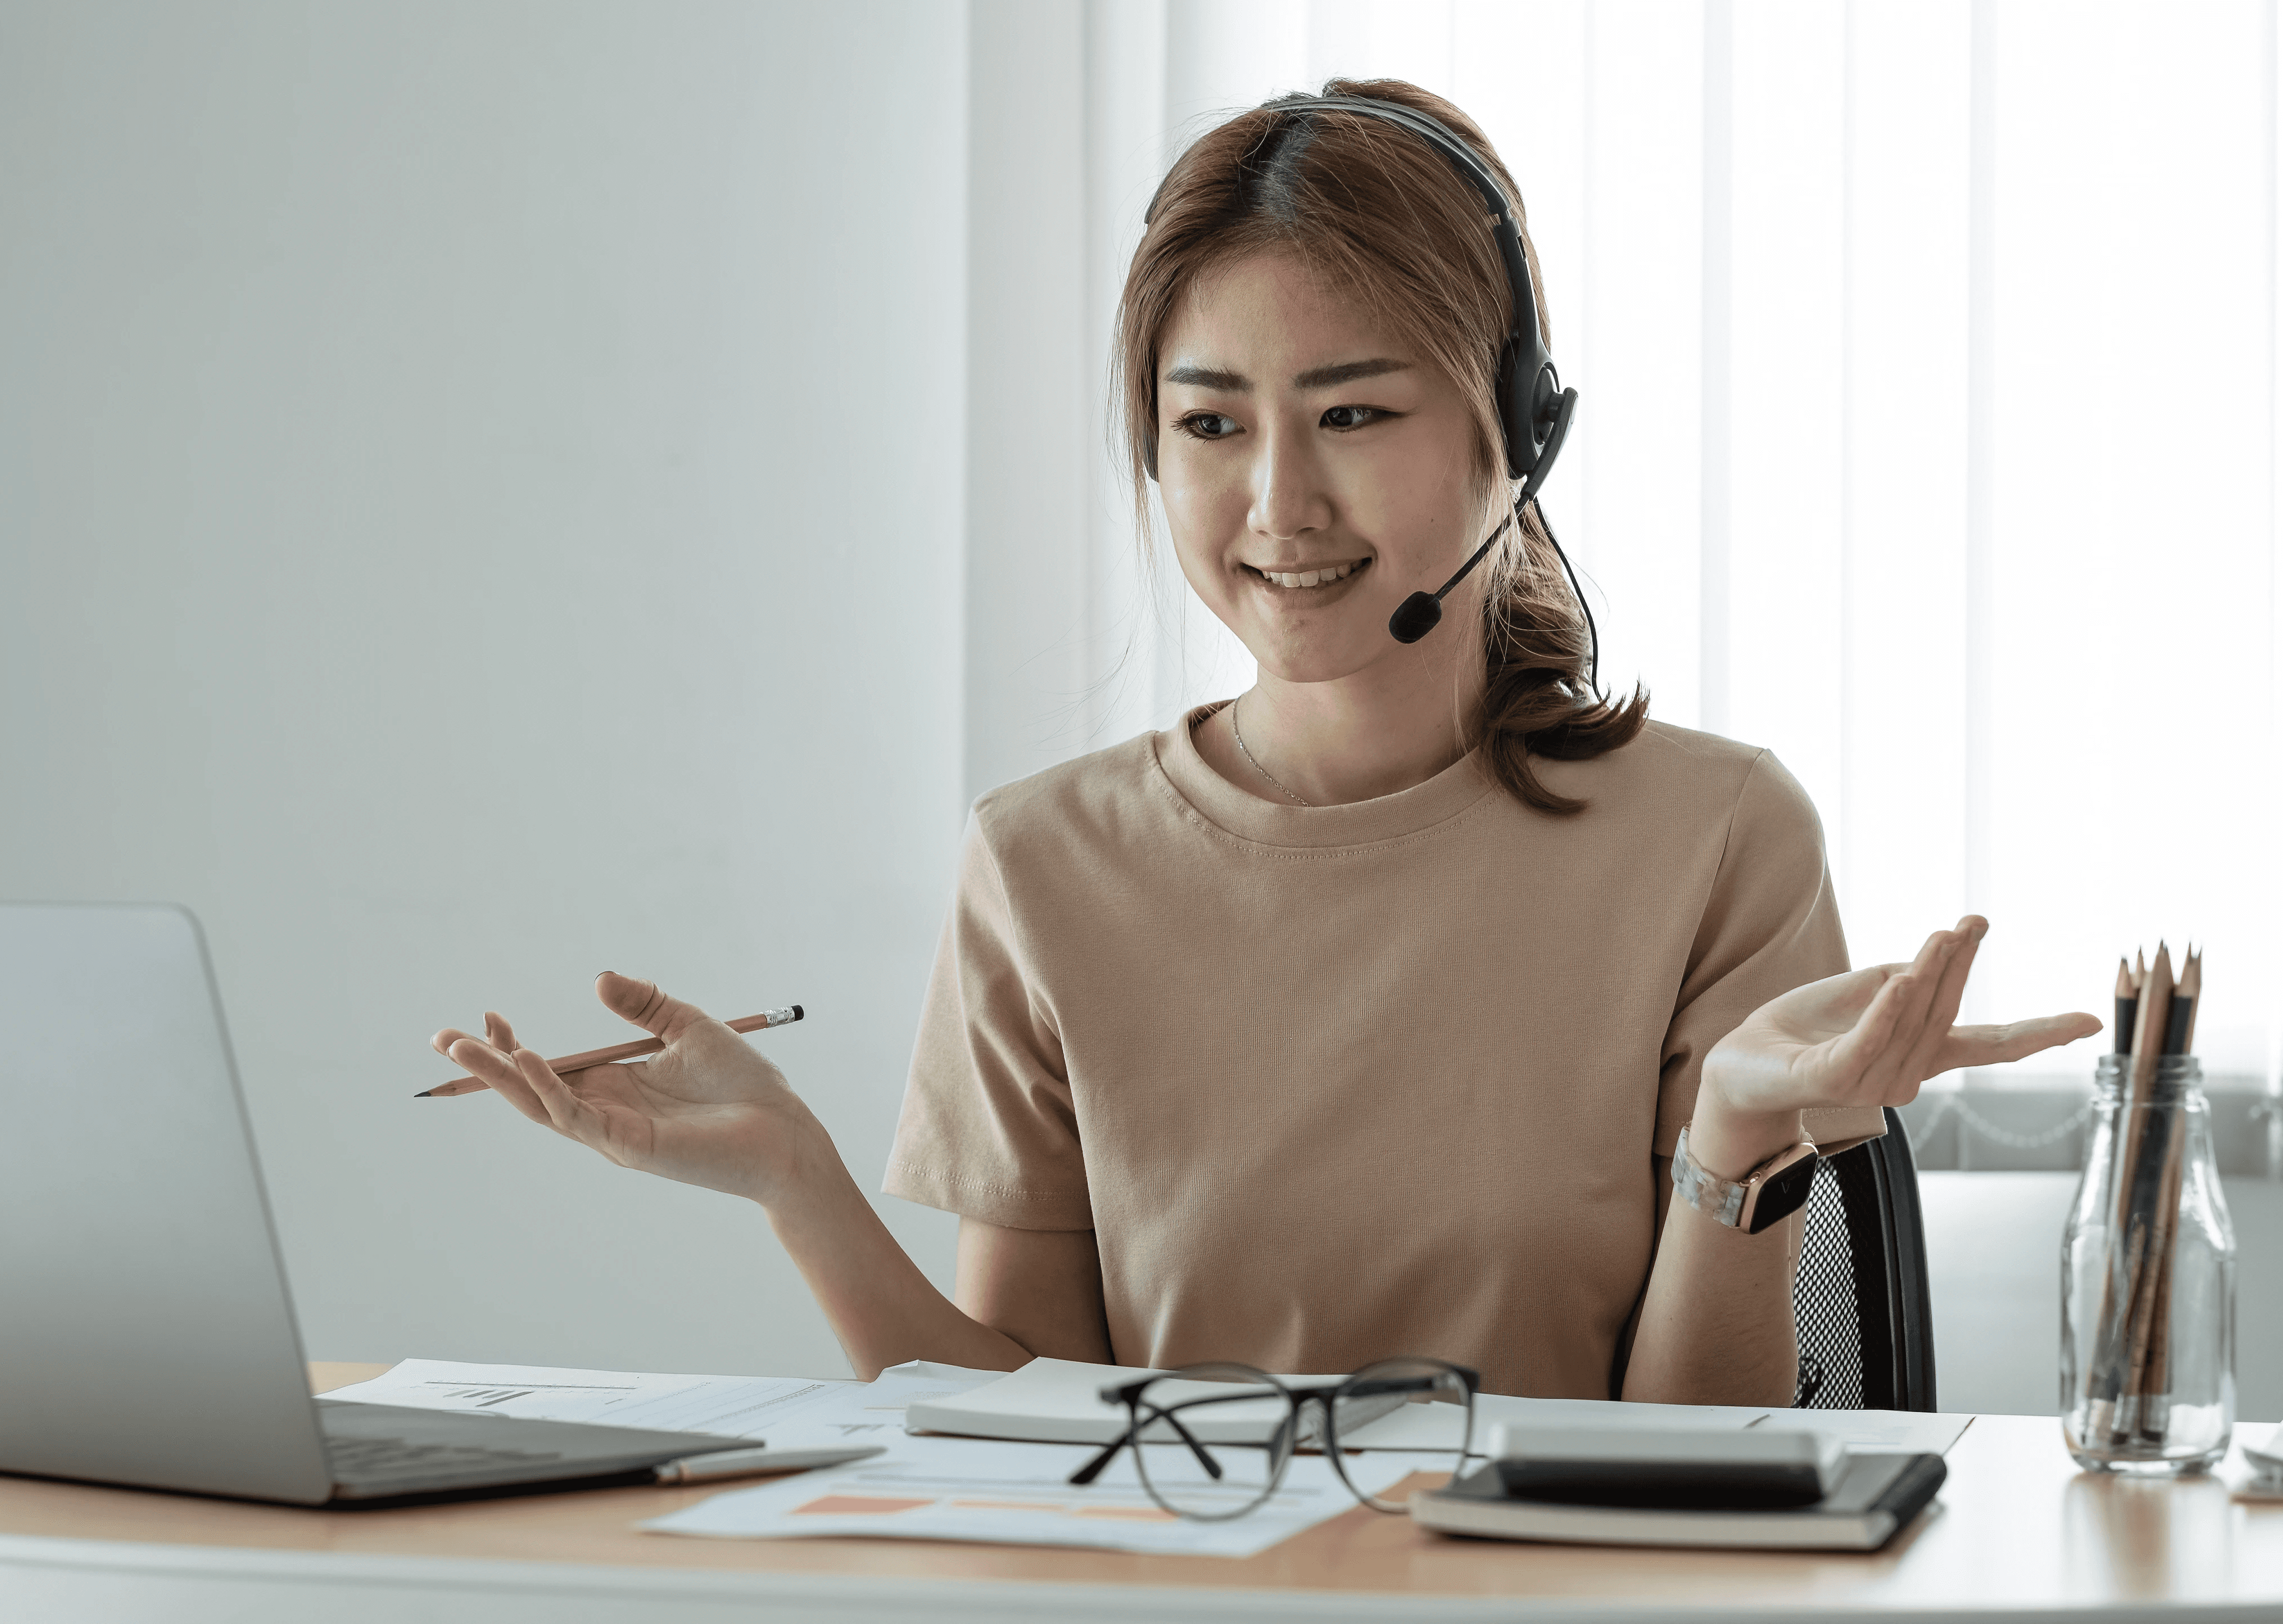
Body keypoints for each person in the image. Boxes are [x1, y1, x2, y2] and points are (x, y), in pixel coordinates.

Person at [431, 80, 2098, 1404]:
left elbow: (1683, 1480)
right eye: (1210, 423)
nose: (1277, 505)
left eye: (1355, 415)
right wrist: (800, 1179)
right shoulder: (1043, 863)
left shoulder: (1718, 839)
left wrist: (1738, 1146)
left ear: (1519, 437)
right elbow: (1038, 1428)